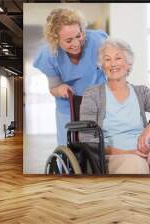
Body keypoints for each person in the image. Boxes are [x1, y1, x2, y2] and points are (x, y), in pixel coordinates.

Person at [80, 39, 150, 174]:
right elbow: (87, 139)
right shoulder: (93, 95)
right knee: (135, 163)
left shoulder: (141, 93)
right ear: (102, 66)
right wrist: (127, 152)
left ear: (128, 64)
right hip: (112, 156)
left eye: (118, 58)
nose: (113, 64)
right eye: (107, 59)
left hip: (144, 149)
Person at [33, 8, 107, 145]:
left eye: (78, 36)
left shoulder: (96, 42)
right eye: (68, 40)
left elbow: (112, 69)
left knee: (101, 143)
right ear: (56, 40)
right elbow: (53, 88)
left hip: (97, 99)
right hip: (69, 105)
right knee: (70, 146)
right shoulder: (49, 55)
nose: (76, 43)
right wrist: (60, 89)